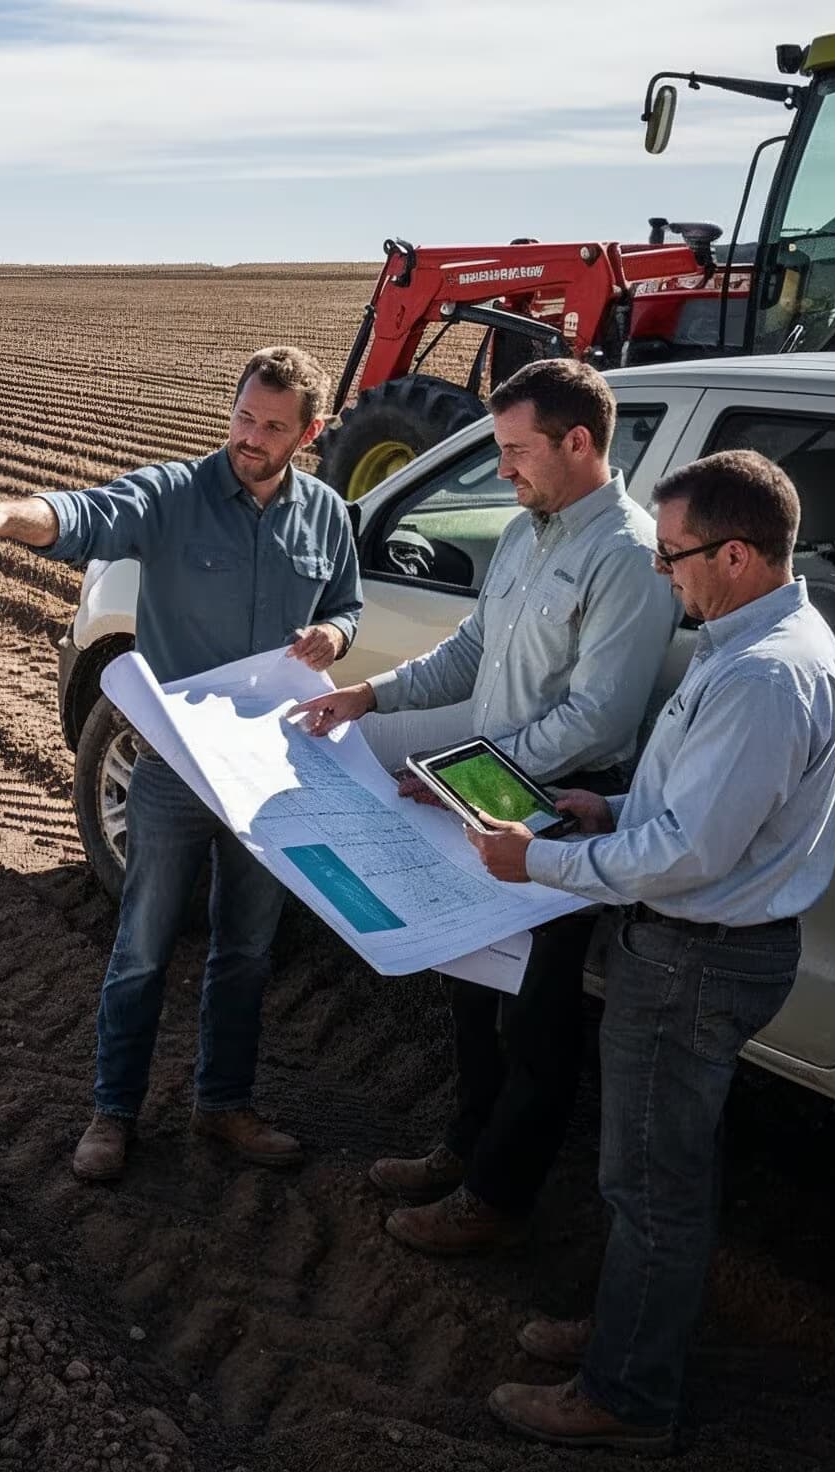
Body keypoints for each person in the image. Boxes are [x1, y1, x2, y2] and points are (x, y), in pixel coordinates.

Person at [464, 449, 835, 1452]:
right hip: (696, 946)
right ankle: (627, 1325)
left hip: (693, 958)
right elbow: (691, 807)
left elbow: (687, 851)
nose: (657, 569)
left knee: (650, 1184)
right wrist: (610, 803)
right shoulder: (750, 637)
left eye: (671, 553)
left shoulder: (763, 673)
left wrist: (537, 864)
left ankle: (624, 1393)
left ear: (733, 553)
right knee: (647, 1172)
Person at [0, 346, 363, 1183]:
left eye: (273, 427)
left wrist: (336, 633)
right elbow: (85, 513)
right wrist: (7, 516)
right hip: (171, 770)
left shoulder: (328, 517)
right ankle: (112, 1113)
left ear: (307, 434)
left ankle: (223, 1105)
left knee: (248, 951)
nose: (251, 437)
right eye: (243, 416)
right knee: (142, 947)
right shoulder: (174, 497)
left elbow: (346, 598)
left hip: (266, 776)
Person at [287, 359, 678, 1255]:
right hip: (489, 792)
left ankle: (497, 1200)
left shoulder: (624, 554)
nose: (502, 470)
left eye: (515, 451)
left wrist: (470, 771)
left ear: (578, 443)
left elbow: (599, 718)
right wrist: (370, 696)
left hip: (556, 811)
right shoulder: (529, 529)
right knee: (474, 988)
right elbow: (470, 654)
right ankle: (463, 1147)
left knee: (537, 1018)